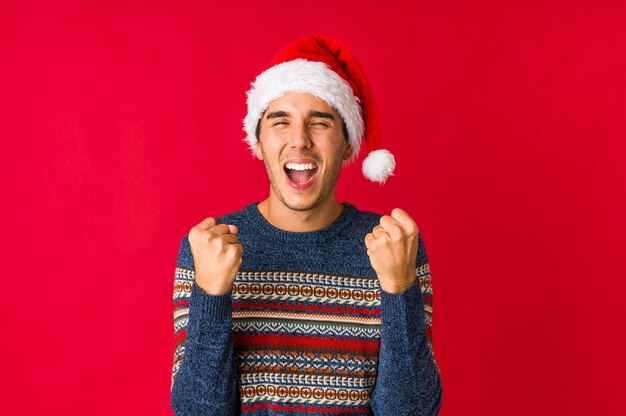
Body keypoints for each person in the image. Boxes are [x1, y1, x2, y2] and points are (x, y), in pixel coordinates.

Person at [170, 36, 442, 415]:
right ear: (259, 142)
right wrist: (212, 294)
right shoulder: (207, 249)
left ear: (347, 145)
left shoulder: (393, 246)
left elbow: (411, 411)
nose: (300, 141)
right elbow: (197, 412)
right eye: (280, 122)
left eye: (320, 122)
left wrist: (399, 290)